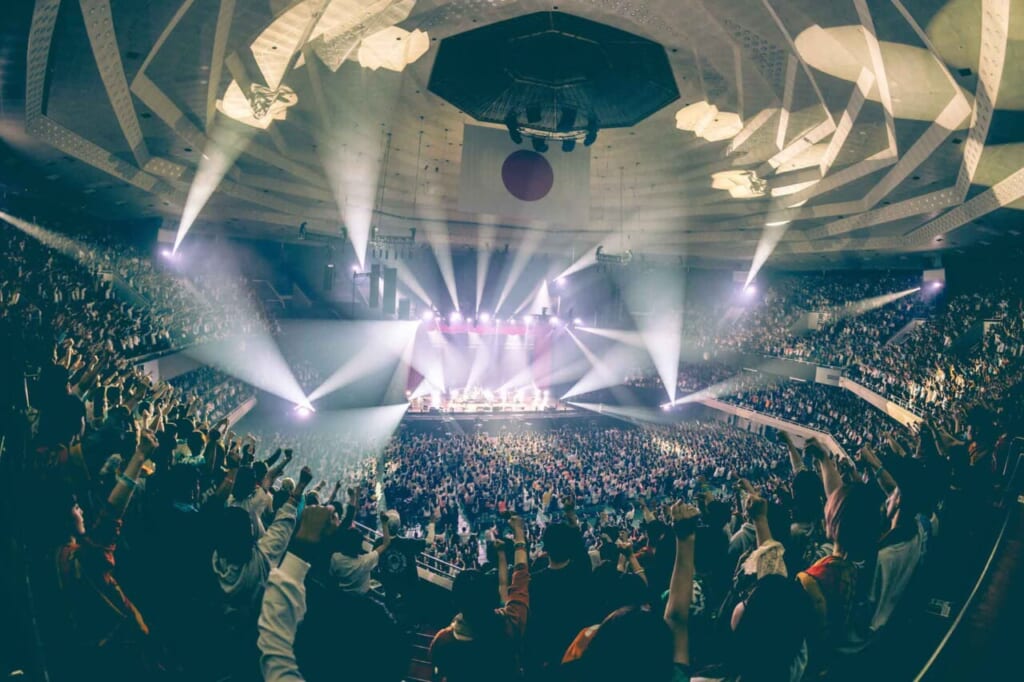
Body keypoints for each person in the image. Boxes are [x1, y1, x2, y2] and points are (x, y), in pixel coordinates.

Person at [429, 514, 530, 682]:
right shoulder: (510, 626)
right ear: (493, 599)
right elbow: (520, 577)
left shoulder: (443, 641)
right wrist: (518, 534)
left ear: (455, 603)